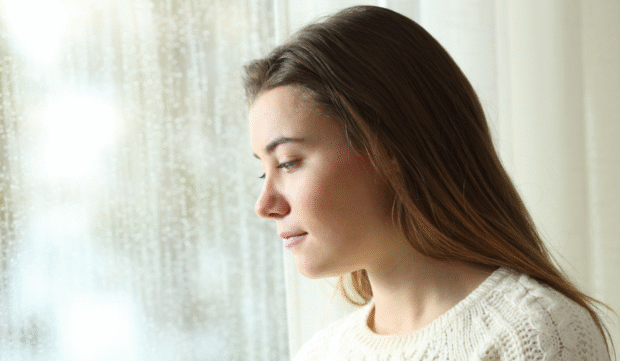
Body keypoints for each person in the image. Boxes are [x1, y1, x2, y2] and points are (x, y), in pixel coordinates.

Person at [244, 5, 613, 360]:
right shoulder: (321, 354)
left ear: (390, 147)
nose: (264, 205)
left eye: (289, 163)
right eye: (264, 171)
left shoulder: (534, 334)